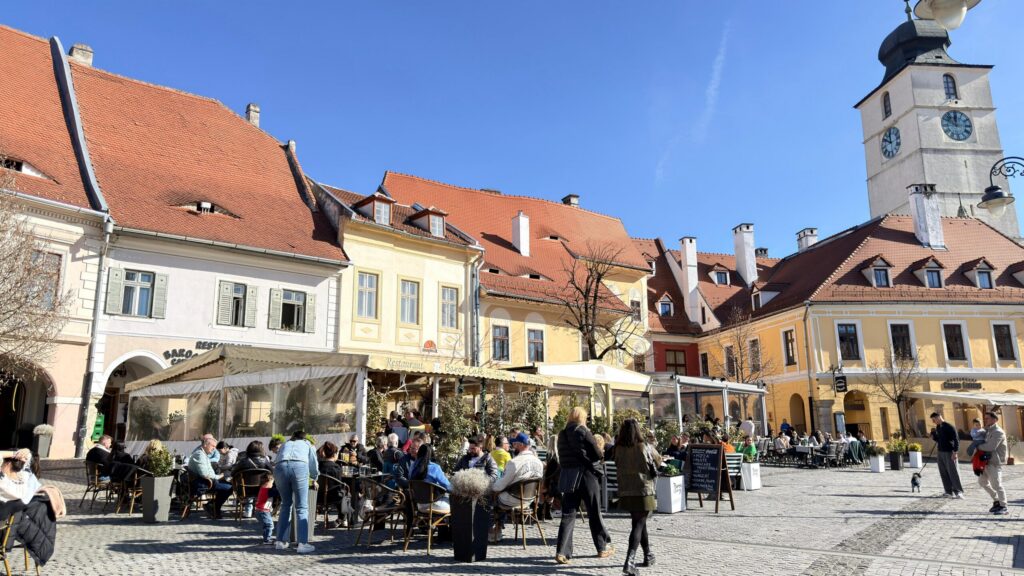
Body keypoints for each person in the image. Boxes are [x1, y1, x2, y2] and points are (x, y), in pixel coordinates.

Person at [554, 407, 614, 565]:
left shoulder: (562, 434)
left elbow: (561, 456)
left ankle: (562, 552)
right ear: (582, 417)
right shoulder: (583, 431)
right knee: (594, 512)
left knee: (568, 514)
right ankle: (602, 547)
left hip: (569, 476)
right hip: (587, 476)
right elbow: (597, 453)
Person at [614, 419, 657, 575]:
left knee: (639, 522)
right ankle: (629, 562)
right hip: (643, 490)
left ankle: (648, 554)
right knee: (638, 524)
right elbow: (657, 461)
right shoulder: (644, 446)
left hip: (626, 490)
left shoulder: (617, 448)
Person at [491, 432, 543, 541]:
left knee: (492, 498)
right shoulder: (539, 462)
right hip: (529, 500)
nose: (513, 446)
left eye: (515, 444)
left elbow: (499, 486)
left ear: (520, 445)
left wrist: (491, 487)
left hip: (512, 499)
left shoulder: (514, 462)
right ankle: (497, 529)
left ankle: (493, 530)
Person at [274, 430, 320, 553]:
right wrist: (314, 478)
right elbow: (313, 465)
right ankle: (302, 544)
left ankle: (280, 541)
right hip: (299, 467)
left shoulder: (285, 444)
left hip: (280, 468)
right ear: (304, 438)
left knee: (285, 504)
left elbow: (277, 459)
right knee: (302, 507)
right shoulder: (307, 444)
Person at [187, 435, 233, 519]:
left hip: (205, 481)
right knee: (229, 488)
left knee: (228, 485)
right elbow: (205, 474)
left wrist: (219, 476)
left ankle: (213, 507)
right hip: (203, 483)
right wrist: (219, 477)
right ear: (205, 445)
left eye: (215, 447)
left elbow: (209, 473)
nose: (214, 449)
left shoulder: (203, 454)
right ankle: (212, 507)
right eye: (213, 446)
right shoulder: (199, 455)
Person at [976, 411, 1009, 514]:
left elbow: (991, 447)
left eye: (988, 418)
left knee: (997, 484)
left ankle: (1003, 506)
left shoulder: (998, 432)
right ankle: (996, 500)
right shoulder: (987, 430)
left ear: (995, 419)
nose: (985, 420)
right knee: (982, 482)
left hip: (994, 462)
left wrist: (977, 446)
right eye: (985, 418)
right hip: (985, 461)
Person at [930, 412, 964, 498]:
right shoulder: (938, 427)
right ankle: (948, 491)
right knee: (943, 472)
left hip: (949, 452)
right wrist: (934, 435)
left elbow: (956, 440)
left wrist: (955, 452)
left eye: (934, 420)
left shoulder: (949, 426)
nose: (933, 422)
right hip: (940, 452)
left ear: (939, 417)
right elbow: (939, 440)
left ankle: (958, 492)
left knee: (953, 472)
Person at [316, 441, 349, 528]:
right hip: (333, 497)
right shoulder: (336, 467)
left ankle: (342, 519)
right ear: (334, 454)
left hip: (318, 496)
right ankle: (343, 519)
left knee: (341, 492)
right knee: (345, 493)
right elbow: (339, 484)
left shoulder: (318, 466)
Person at [411, 444, 451, 511]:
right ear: (432, 454)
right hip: (432, 505)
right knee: (453, 503)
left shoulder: (413, 466)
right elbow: (447, 486)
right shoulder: (435, 467)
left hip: (418, 505)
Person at [254, 472, 275, 544]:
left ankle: (266, 537)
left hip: (260, 511)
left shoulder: (262, 488)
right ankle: (267, 540)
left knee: (266, 525)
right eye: (272, 483)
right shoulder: (267, 490)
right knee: (269, 525)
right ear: (267, 483)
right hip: (263, 511)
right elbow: (276, 492)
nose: (272, 485)